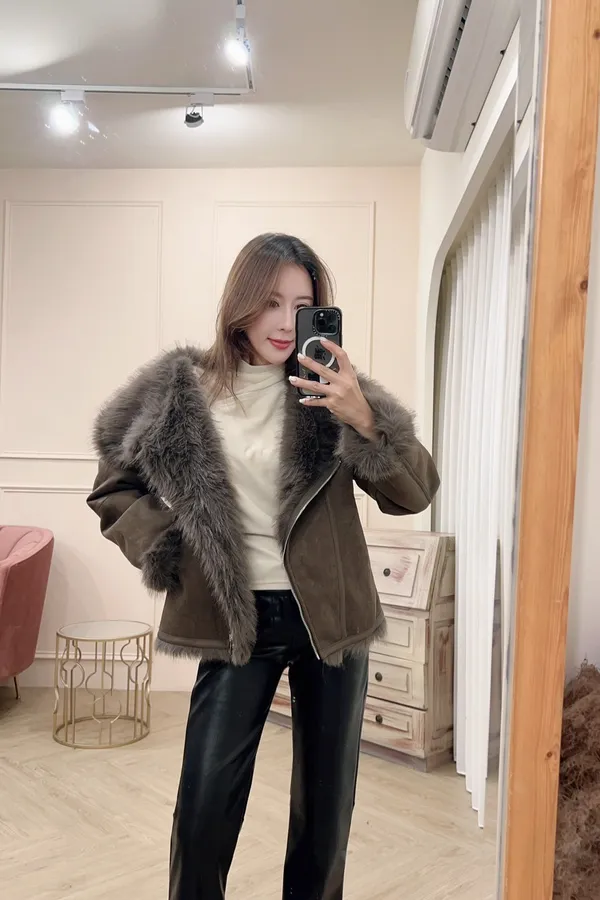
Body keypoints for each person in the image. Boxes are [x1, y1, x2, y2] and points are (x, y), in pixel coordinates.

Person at [87, 232, 439, 900]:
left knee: (325, 812)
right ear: (240, 304)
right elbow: (113, 486)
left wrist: (364, 417)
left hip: (328, 618)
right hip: (234, 617)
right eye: (271, 301)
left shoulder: (334, 391)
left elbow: (414, 494)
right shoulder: (180, 390)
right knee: (204, 806)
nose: (284, 321)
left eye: (302, 306)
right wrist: (170, 548)